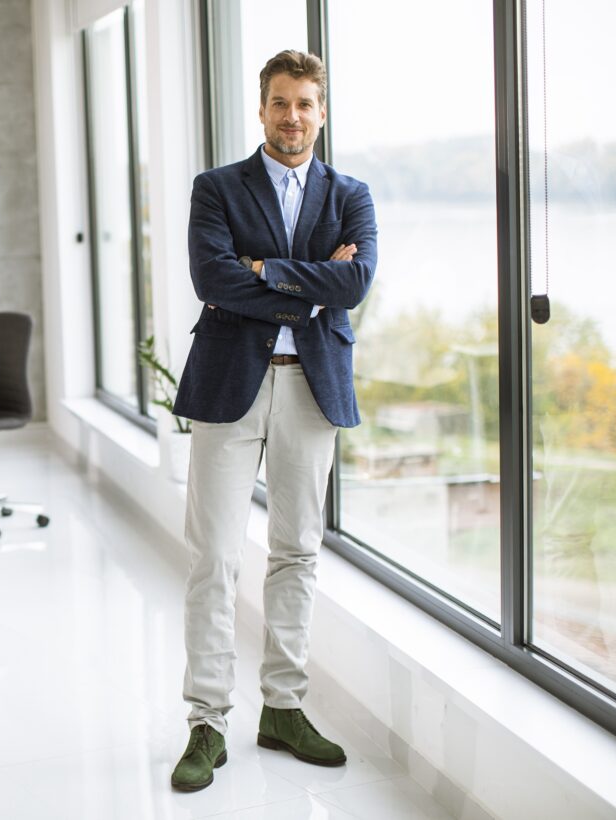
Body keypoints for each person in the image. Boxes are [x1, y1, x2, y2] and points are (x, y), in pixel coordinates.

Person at [169, 50, 378, 791]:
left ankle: (283, 708)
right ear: (260, 109)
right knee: (215, 556)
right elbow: (211, 277)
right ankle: (206, 720)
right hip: (232, 383)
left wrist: (264, 275)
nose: (293, 116)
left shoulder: (351, 195)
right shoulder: (217, 188)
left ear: (322, 113)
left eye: (306, 104)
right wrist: (307, 288)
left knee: (296, 551)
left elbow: (354, 283)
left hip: (310, 388)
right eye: (280, 102)